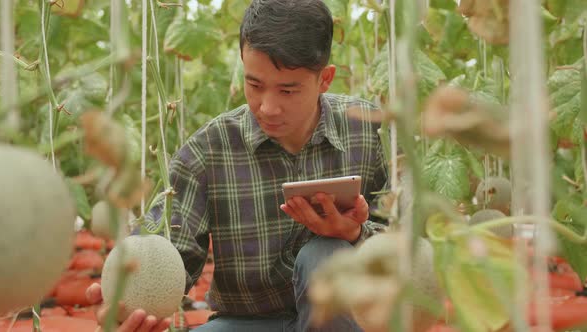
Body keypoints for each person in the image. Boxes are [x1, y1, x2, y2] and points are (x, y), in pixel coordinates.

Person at [86, 0, 389, 331]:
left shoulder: (369, 129)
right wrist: (123, 299)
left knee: (327, 254)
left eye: (288, 90)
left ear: (325, 79)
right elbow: (169, 249)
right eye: (255, 85)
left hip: (344, 320)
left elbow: (410, 247)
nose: (268, 107)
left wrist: (356, 233)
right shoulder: (208, 150)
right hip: (247, 322)